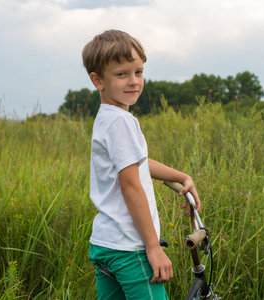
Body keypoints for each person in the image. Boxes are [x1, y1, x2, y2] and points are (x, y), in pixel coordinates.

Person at [82, 29, 201, 300]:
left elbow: (138, 165)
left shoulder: (108, 117)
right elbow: (131, 184)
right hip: (130, 248)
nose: (133, 81)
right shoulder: (121, 122)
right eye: (122, 74)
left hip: (106, 244)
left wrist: (182, 176)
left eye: (138, 72)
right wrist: (153, 247)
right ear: (98, 80)